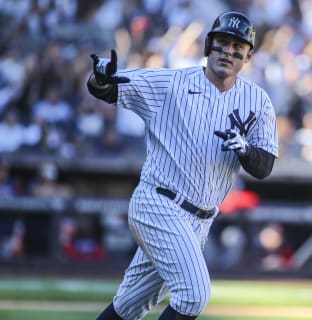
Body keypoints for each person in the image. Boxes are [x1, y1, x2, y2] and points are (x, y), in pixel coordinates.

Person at [87, 11, 278, 320]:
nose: (228, 51)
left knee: (129, 306)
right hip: (159, 203)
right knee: (194, 295)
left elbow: (264, 166)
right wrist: (99, 78)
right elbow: (109, 87)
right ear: (208, 45)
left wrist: (244, 149)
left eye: (237, 46)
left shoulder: (258, 101)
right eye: (222, 42)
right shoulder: (171, 82)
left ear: (248, 55)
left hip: (200, 221)